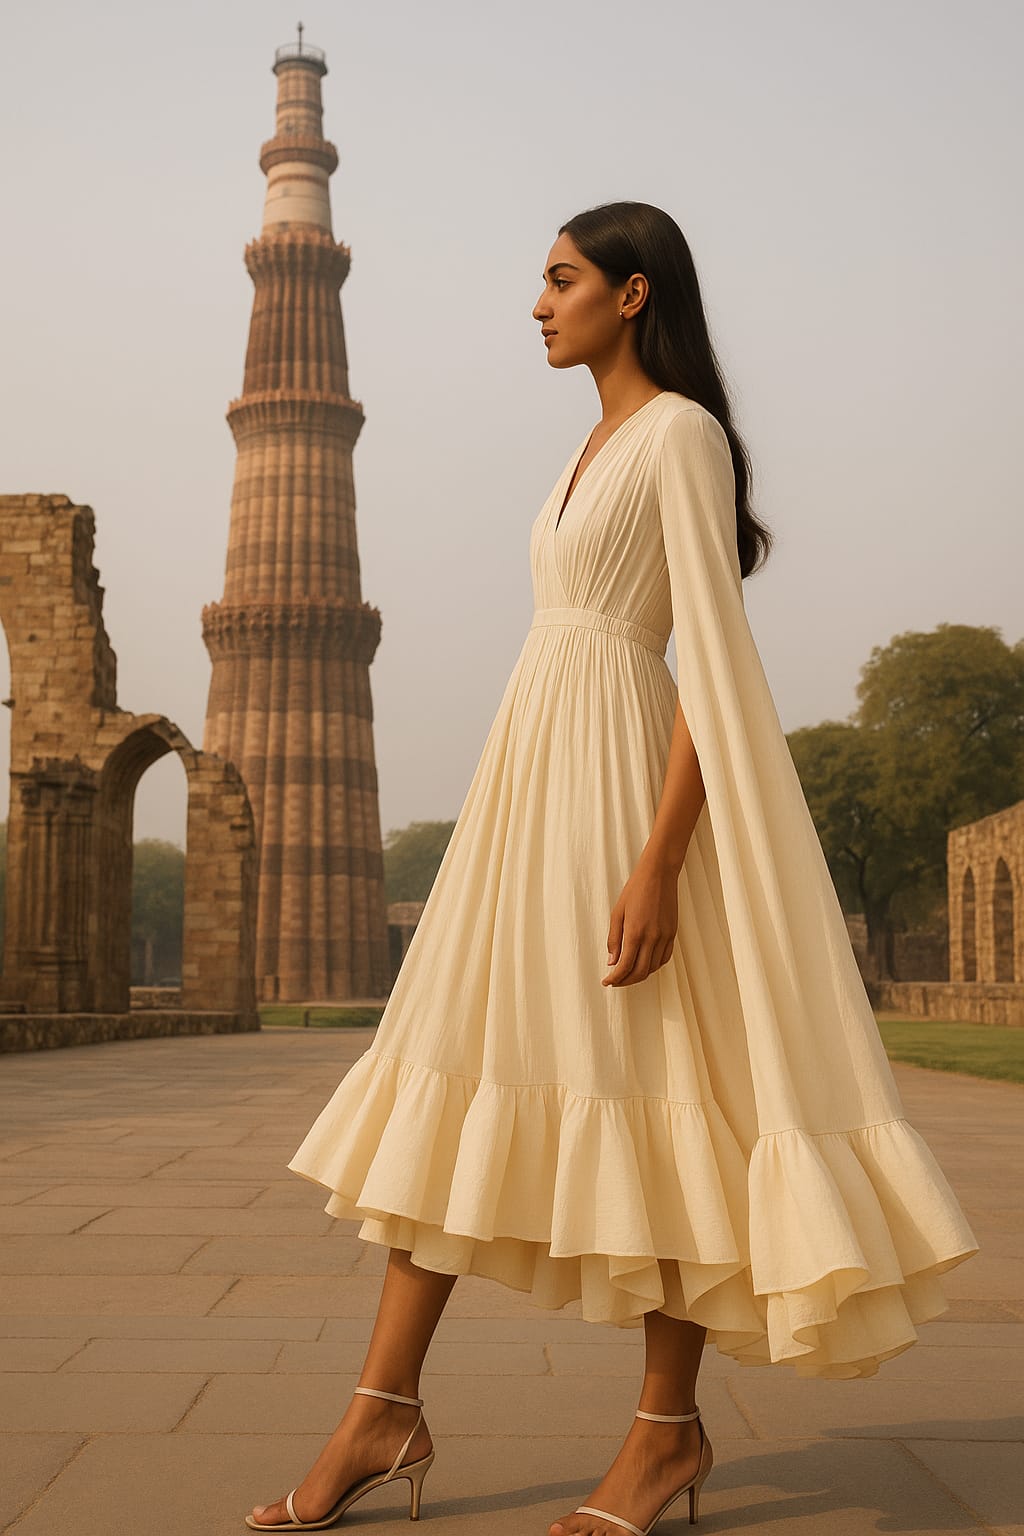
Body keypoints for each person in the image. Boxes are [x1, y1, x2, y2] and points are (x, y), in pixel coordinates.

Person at [246, 201, 979, 1535]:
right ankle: (381, 1406)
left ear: (633, 296)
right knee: (452, 1072)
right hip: (530, 785)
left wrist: (659, 858)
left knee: (653, 1094)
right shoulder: (587, 447)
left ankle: (660, 1438)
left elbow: (710, 654)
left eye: (562, 280)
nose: (539, 304)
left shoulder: (681, 437)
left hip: (620, 794)